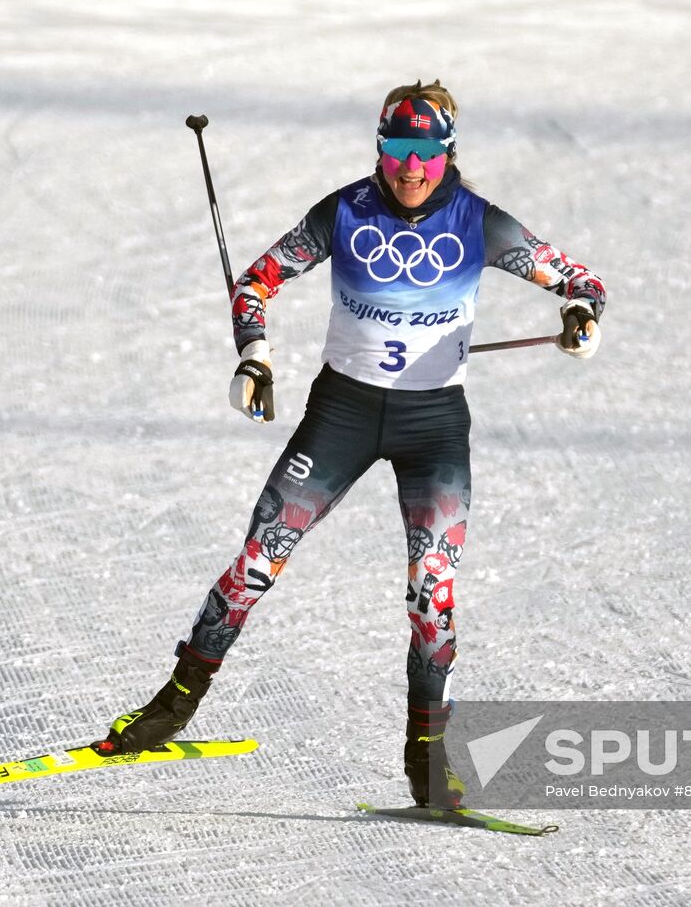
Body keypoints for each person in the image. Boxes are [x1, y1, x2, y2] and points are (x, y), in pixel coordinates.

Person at [94, 80, 607, 808]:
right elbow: (258, 281)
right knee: (258, 558)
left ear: (447, 153)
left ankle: (429, 762)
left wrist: (582, 315)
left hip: (433, 426)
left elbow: (582, 281)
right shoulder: (344, 212)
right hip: (343, 413)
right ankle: (172, 705)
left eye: (425, 153)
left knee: (433, 594)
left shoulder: (479, 223)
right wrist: (255, 354)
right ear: (379, 147)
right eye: (398, 149)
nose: (410, 167)